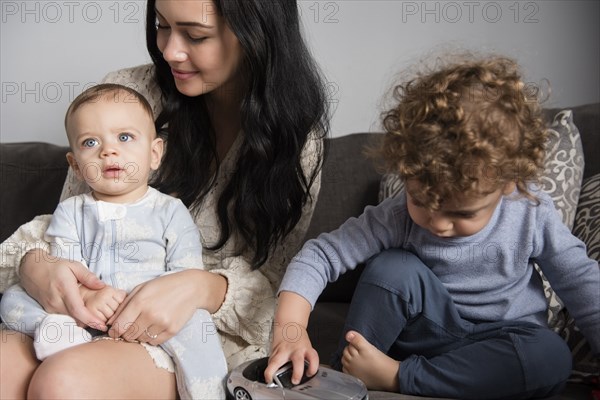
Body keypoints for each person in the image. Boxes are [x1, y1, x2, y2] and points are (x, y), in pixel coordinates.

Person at [0, 0, 329, 398]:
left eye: (196, 34)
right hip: (85, 309)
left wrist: (200, 287)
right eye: (162, 26)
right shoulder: (128, 93)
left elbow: (278, 292)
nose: (169, 51)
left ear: (256, 36)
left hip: (193, 331)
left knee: (63, 381)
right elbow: (70, 225)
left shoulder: (295, 142)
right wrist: (38, 265)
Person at [266, 56, 600, 399]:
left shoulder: (530, 214)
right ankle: (344, 380)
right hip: (422, 335)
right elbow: (320, 255)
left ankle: (398, 378)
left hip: (501, 343)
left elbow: (581, 283)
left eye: (462, 214)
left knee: (551, 356)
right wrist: (291, 330)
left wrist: (398, 373)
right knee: (392, 268)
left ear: (507, 185)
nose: (438, 224)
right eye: (421, 202)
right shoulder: (398, 215)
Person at [1, 83, 229, 399]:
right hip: (83, 313)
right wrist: (85, 296)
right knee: (13, 297)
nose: (108, 151)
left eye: (124, 137)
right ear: (76, 166)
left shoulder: (169, 211)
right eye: (90, 142)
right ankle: (57, 332)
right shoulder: (71, 211)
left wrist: (148, 301)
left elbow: (184, 274)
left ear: (154, 154)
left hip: (145, 316)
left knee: (196, 325)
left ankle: (206, 390)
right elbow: (67, 264)